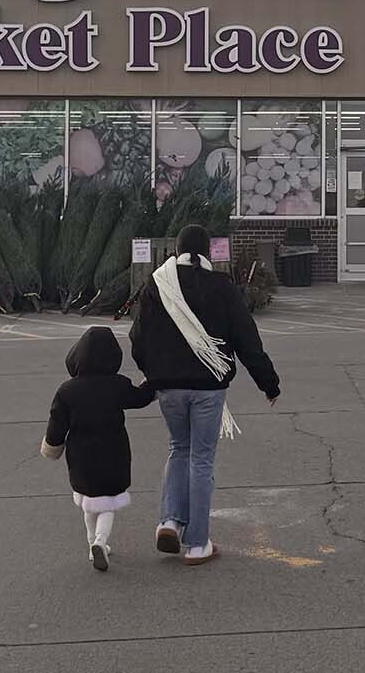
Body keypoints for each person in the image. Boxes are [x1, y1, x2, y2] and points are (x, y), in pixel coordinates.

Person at [130, 224, 281, 567]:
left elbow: (138, 337)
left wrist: (154, 372)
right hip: (209, 388)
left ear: (176, 250)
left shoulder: (157, 284)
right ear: (208, 251)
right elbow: (247, 338)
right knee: (201, 459)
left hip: (168, 387)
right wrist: (268, 383)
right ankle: (198, 544)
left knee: (178, 449)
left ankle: (170, 521)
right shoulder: (221, 286)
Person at [41, 326, 155, 572]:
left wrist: (52, 446)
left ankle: (91, 542)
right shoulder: (117, 385)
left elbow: (56, 423)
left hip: (81, 456)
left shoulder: (67, 390)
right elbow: (140, 398)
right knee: (107, 503)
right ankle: (101, 542)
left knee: (88, 502)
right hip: (113, 453)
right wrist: (152, 382)